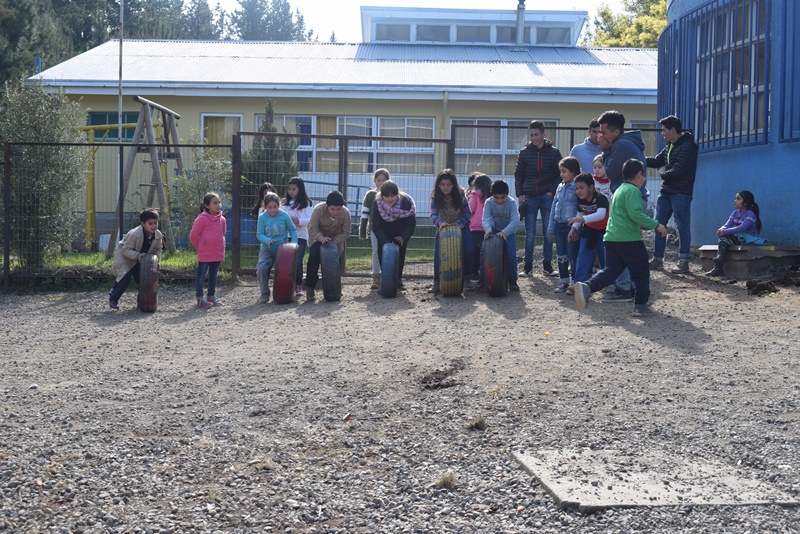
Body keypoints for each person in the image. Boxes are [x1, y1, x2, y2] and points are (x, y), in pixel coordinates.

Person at [573, 159, 668, 316]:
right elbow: (635, 214)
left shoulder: (619, 189)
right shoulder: (633, 191)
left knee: (612, 270)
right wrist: (656, 225)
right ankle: (641, 305)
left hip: (611, 237)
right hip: (627, 239)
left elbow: (621, 214)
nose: (643, 180)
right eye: (643, 176)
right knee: (642, 269)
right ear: (639, 175)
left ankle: (587, 287)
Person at [597, 110, 648, 302]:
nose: (601, 136)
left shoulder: (620, 146)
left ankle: (624, 288)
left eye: (604, 131)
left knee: (623, 243)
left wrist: (605, 151)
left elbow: (609, 172)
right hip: (633, 198)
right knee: (631, 243)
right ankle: (632, 285)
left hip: (627, 200)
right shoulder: (627, 143)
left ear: (616, 132)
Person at [646, 115, 699, 274]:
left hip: (681, 192)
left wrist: (663, 174)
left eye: (664, 130)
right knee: (658, 224)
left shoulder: (688, 146)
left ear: (673, 130)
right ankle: (657, 259)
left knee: (682, 225)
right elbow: (656, 161)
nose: (662, 133)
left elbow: (679, 170)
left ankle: (683, 262)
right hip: (666, 191)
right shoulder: (671, 145)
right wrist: (638, 158)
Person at [515, 119, 562, 277]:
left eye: (536, 135)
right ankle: (527, 267)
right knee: (530, 232)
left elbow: (560, 174)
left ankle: (547, 266)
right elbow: (518, 175)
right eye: (531, 135)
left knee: (549, 232)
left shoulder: (554, 153)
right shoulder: (524, 153)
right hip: (530, 197)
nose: (534, 138)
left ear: (544, 134)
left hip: (547, 196)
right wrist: (520, 195)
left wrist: (551, 192)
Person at [429, 169, 473, 294]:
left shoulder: (460, 194)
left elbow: (468, 213)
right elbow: (432, 215)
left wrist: (459, 224)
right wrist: (440, 222)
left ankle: (466, 278)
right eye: (442, 185)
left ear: (453, 184)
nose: (445, 187)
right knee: (439, 254)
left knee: (468, 249)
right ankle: (437, 282)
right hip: (443, 229)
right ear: (438, 185)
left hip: (462, 227)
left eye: (448, 185)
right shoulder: (435, 197)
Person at [109, 209, 163, 309]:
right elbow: (125, 250)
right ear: (142, 223)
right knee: (125, 277)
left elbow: (158, 249)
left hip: (142, 259)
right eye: (150, 223)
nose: (154, 226)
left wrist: (156, 260)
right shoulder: (135, 234)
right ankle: (113, 298)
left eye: (155, 223)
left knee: (145, 280)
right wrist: (137, 255)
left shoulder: (158, 235)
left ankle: (142, 302)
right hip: (125, 257)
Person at [371, 180, 417, 291]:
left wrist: (404, 237)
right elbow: (376, 225)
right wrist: (385, 241)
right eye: (386, 196)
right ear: (382, 196)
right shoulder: (377, 204)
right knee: (383, 255)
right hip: (384, 235)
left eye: (393, 196)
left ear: (398, 194)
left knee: (400, 256)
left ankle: (398, 279)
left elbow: (410, 223)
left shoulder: (405, 203)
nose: (390, 199)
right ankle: (386, 279)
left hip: (400, 234)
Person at [305, 190, 351, 300]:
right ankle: (310, 288)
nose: (335, 212)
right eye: (332, 209)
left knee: (336, 264)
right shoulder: (318, 210)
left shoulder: (346, 213)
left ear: (342, 206)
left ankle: (335, 289)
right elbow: (312, 228)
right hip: (317, 240)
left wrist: (334, 241)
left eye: (338, 209)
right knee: (313, 259)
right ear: (327, 205)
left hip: (335, 241)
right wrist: (321, 238)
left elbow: (346, 233)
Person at [705, 190, 763, 277]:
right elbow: (727, 224)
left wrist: (724, 232)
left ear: (745, 203)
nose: (735, 200)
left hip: (746, 239)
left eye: (738, 199)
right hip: (737, 237)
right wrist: (721, 230)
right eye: (735, 198)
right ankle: (719, 263)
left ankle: (719, 265)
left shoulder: (750, 214)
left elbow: (741, 228)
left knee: (726, 236)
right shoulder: (735, 213)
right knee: (723, 237)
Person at [568, 173, 609, 290]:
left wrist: (581, 219)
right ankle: (577, 283)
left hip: (605, 231)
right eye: (577, 188)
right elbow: (581, 212)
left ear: (591, 188)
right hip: (590, 229)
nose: (578, 191)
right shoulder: (580, 200)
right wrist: (574, 228)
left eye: (581, 188)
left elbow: (601, 215)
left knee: (605, 257)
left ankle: (610, 283)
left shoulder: (601, 198)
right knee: (583, 255)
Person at [256, 192, 298, 303]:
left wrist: (293, 244)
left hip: (282, 250)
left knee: (285, 271)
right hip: (267, 249)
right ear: (265, 207)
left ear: (279, 205)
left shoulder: (284, 216)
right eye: (269, 207)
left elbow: (292, 230)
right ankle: (264, 293)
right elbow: (259, 234)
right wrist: (267, 240)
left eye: (275, 207)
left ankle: (285, 292)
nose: (273, 210)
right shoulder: (262, 218)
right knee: (261, 268)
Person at [480, 179, 520, 292]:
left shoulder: (511, 203)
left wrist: (505, 232)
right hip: (493, 231)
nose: (500, 200)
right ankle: (483, 277)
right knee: (484, 252)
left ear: (507, 195)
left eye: (503, 198)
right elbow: (486, 218)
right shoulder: (488, 202)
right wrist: (488, 230)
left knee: (511, 254)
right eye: (496, 198)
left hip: (508, 232)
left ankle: (512, 279)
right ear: (492, 195)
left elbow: (514, 220)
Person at [548, 157, 580, 293]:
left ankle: (574, 282)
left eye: (564, 171)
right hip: (558, 224)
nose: (562, 174)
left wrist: (576, 228)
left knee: (572, 254)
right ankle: (563, 281)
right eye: (561, 171)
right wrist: (551, 226)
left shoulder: (577, 187)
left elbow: (581, 208)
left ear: (573, 172)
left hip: (570, 226)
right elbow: (553, 207)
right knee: (561, 255)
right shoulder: (560, 187)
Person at [189, 192, 227, 308]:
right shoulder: (201, 219)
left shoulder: (222, 219)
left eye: (219, 202)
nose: (218, 205)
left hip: (216, 252)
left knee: (213, 275)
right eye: (214, 203)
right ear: (207, 205)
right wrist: (200, 247)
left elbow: (223, 234)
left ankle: (211, 296)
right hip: (205, 253)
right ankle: (200, 298)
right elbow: (193, 236)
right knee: (201, 275)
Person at [359, 168, 391, 290]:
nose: (381, 183)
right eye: (378, 180)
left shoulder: (392, 194)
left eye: (384, 180)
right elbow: (364, 214)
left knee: (390, 252)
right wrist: (363, 231)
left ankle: (389, 277)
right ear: (374, 181)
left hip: (389, 229)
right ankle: (376, 278)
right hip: (374, 229)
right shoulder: (370, 195)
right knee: (376, 252)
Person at [281, 177, 313, 296]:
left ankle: (299, 285)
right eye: (289, 189)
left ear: (300, 189)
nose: (291, 192)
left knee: (298, 260)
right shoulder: (285, 203)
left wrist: (298, 220)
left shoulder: (306, 203)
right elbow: (279, 215)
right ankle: (288, 284)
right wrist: (281, 204)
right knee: (287, 261)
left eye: (294, 189)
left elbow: (310, 219)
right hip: (287, 236)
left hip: (301, 236)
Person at [468, 173, 492, 282]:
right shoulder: (492, 197)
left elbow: (470, 210)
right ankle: (487, 273)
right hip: (489, 228)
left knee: (476, 251)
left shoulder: (474, 196)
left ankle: (474, 273)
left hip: (475, 228)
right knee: (488, 251)